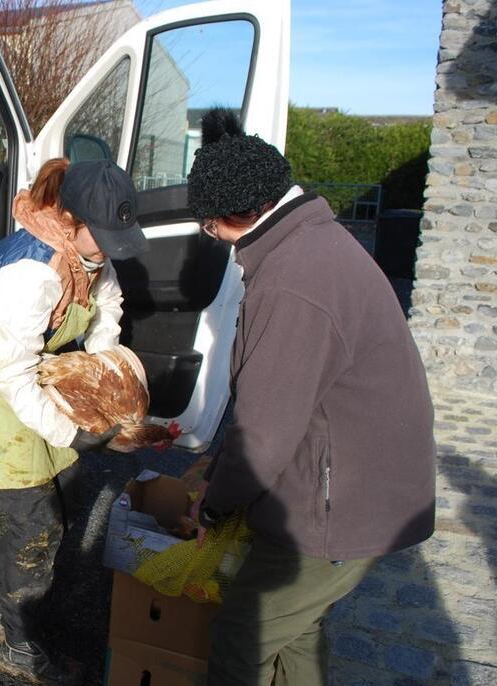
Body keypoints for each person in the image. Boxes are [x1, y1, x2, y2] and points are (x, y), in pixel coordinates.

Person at [186, 109, 436, 685]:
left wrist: (216, 504)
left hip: (339, 502)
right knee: (296, 633)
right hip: (351, 480)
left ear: (241, 216)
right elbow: (277, 400)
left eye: (209, 227)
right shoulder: (312, 241)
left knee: (241, 637)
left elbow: (265, 434)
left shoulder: (295, 282)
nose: (212, 239)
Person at [0, 158, 148, 684]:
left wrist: (104, 375)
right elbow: (13, 375)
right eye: (104, 236)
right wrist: (70, 431)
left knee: (62, 492)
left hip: (31, 371)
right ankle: (21, 649)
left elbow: (107, 310)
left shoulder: (92, 258)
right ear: (70, 220)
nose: (111, 248)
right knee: (40, 523)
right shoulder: (32, 271)